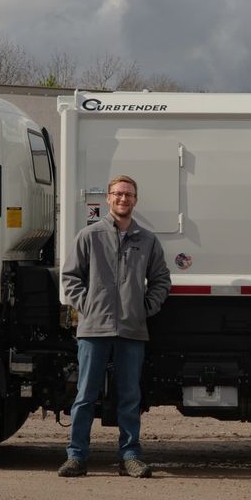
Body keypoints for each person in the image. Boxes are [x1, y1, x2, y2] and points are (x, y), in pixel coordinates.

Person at [59, 175, 172, 478]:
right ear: (108, 198)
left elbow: (161, 280)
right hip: (93, 330)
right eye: (118, 194)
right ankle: (76, 456)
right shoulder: (90, 236)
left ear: (135, 200)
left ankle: (130, 456)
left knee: (129, 397)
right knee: (85, 395)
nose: (123, 199)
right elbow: (70, 278)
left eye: (129, 194)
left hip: (132, 330)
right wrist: (88, 306)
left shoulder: (147, 240)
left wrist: (144, 309)